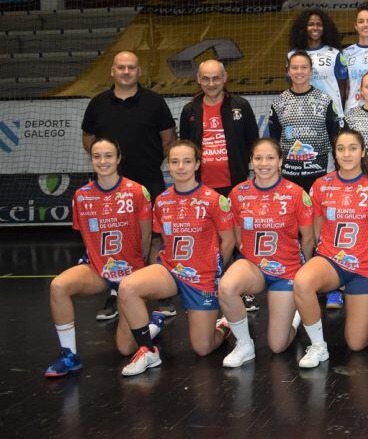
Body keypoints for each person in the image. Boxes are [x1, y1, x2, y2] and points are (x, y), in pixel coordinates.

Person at [116, 141, 235, 376]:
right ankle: (148, 350)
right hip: (170, 269)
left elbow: (229, 241)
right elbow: (161, 240)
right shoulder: (162, 200)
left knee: (203, 348)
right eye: (175, 161)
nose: (181, 167)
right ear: (168, 165)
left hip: (202, 276)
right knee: (128, 287)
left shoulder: (213, 199)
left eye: (187, 161)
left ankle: (223, 326)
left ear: (198, 164)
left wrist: (214, 271)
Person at [43, 137, 158, 377]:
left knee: (125, 348)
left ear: (118, 159)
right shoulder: (81, 196)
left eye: (108, 156)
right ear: (91, 160)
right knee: (58, 286)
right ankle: (69, 355)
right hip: (98, 269)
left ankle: (154, 323)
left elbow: (146, 238)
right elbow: (86, 237)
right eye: (97, 156)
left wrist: (137, 277)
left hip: (131, 274)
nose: (103, 161)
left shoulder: (137, 191)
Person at [81, 50, 176, 319]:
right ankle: (115, 294)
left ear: (139, 71)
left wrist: (152, 162)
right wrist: (107, 166)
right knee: (114, 238)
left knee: (157, 237)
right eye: (121, 67)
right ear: (112, 71)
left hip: (149, 180)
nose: (125, 72)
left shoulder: (155, 102)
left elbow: (168, 139)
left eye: (131, 67)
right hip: (110, 187)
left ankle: (162, 295)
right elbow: (88, 139)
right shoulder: (97, 103)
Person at [293, 129, 368, 368]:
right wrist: (330, 257)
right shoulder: (321, 185)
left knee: (356, 343)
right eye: (341, 149)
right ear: (335, 154)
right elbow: (318, 230)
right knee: (302, 281)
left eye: (352, 148)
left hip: (365, 266)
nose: (347, 153)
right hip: (332, 260)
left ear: (362, 152)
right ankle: (319, 346)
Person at [218, 139, 315, 367]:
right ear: (251, 161)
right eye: (258, 158)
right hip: (253, 265)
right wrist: (248, 257)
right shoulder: (238, 193)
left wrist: (304, 273)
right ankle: (244, 345)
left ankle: (294, 318)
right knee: (227, 286)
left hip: (286, 270)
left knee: (277, 346)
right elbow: (238, 235)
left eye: (270, 158)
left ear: (280, 161)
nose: (264, 163)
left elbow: (308, 238)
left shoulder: (295, 193)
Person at [179, 59, 259, 197]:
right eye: (205, 79)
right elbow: (185, 148)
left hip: (236, 185)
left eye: (216, 78)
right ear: (198, 79)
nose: (211, 84)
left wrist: (240, 166)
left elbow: (253, 143)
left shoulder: (241, 106)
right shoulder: (189, 110)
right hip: (199, 187)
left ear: (224, 77)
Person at [269, 51, 341, 193]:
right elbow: (274, 141)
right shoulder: (279, 102)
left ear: (311, 71)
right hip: (289, 176)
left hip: (320, 174)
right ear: (288, 71)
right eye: (294, 68)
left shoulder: (324, 100)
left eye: (304, 67)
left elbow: (335, 138)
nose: (299, 72)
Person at [287, 9, 344, 116]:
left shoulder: (335, 54)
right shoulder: (292, 55)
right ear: (304, 27)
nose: (315, 28)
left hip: (331, 112)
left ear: (325, 28)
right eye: (311, 24)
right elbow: (291, 85)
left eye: (319, 24)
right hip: (305, 112)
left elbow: (342, 87)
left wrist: (338, 109)